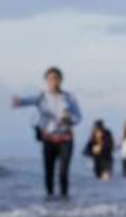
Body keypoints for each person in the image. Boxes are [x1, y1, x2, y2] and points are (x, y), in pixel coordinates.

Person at [12, 67, 81, 198]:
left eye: (56, 78)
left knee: (63, 173)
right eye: (50, 79)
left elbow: (78, 116)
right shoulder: (41, 97)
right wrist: (17, 102)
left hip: (66, 138)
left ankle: (64, 200)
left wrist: (69, 118)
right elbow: (24, 102)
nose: (53, 81)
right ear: (46, 81)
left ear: (61, 80)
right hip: (48, 138)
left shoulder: (69, 97)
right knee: (48, 172)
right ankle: (49, 200)